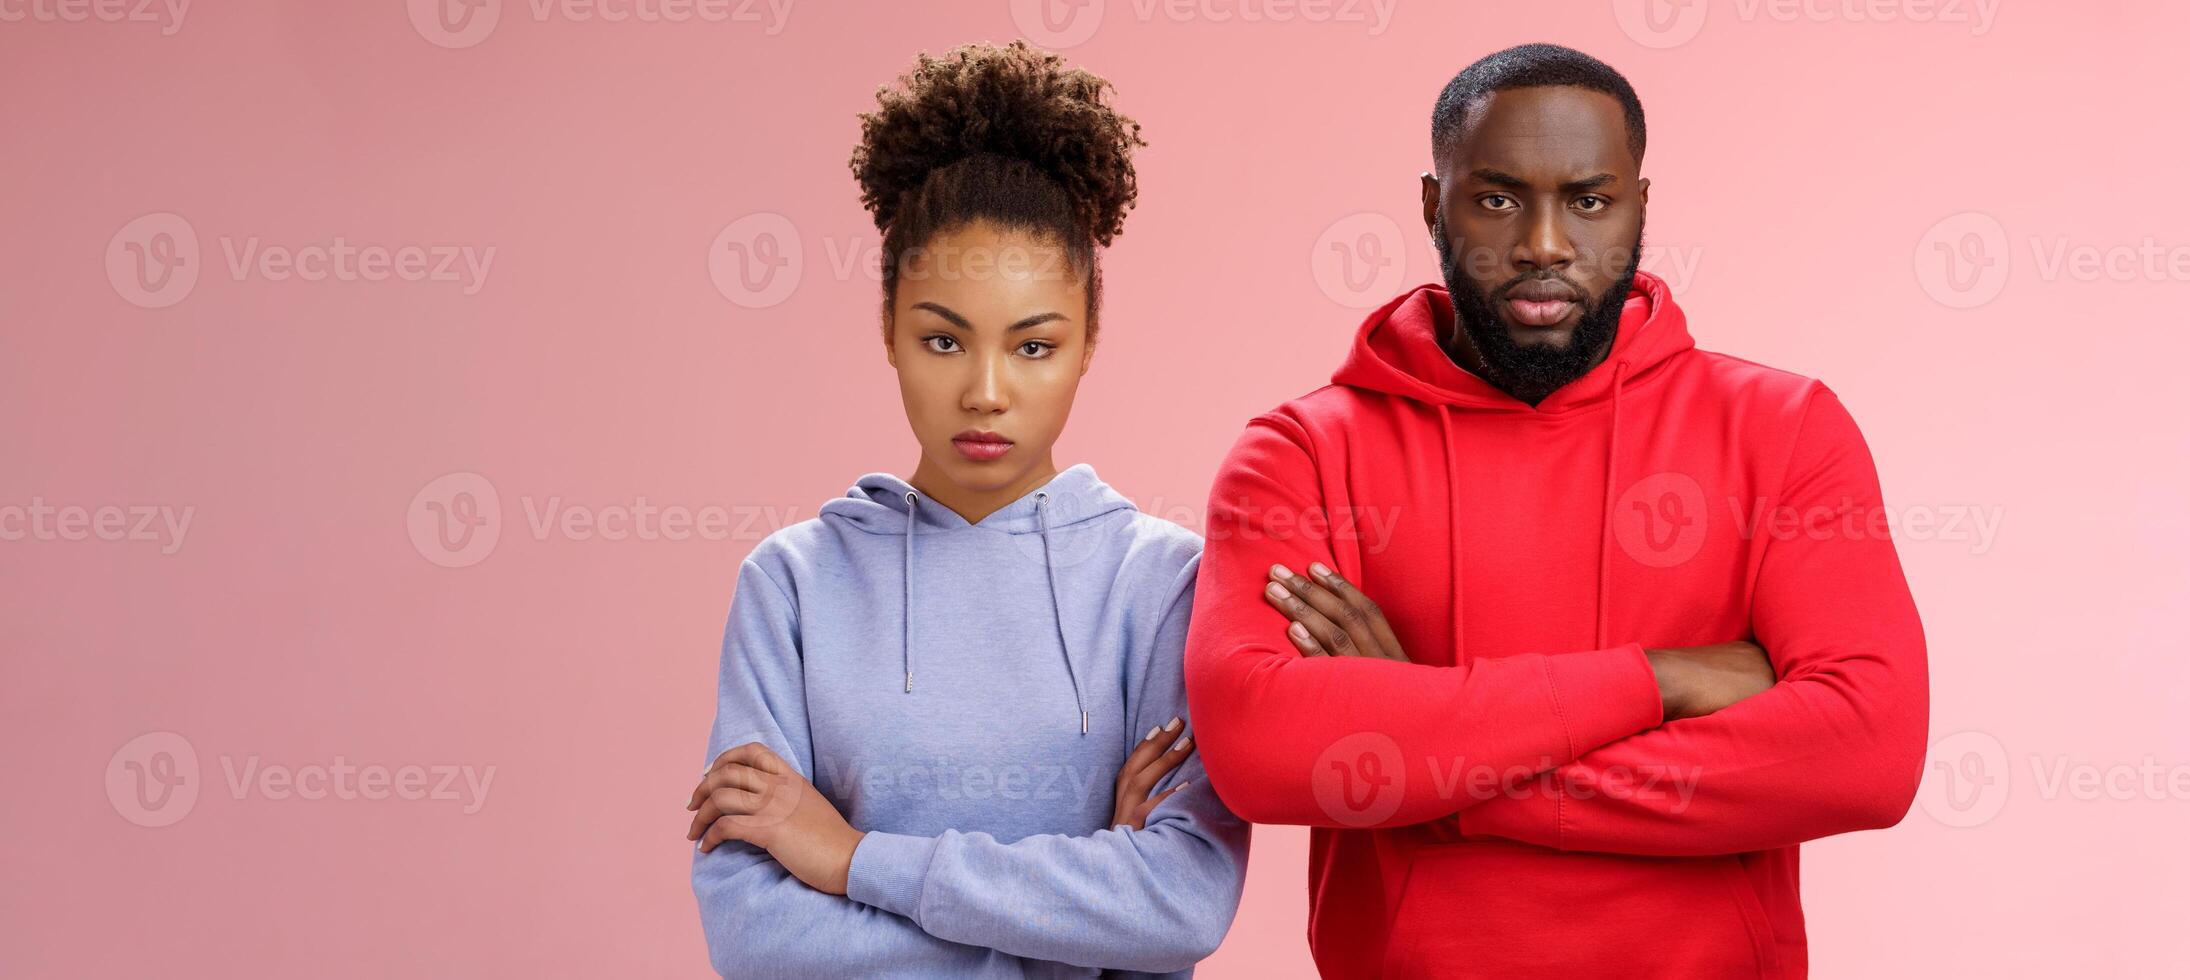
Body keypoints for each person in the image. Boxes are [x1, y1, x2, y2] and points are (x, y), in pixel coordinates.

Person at [1184, 43, 1928, 978]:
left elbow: (1866, 753)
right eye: (1498, 199)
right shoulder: (1301, 452)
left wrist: (1427, 761)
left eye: (1587, 200)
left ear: (1641, 208)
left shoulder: (1784, 431)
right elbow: (1261, 747)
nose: (1543, 243)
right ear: (1432, 205)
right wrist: (1664, 679)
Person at [685, 41, 1247, 979]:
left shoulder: (1165, 585)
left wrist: (853, 858)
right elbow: (754, 939)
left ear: (1087, 342)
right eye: (943, 339)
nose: (986, 392)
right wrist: (1076, 939)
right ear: (889, 333)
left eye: (1032, 347)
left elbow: (1182, 901)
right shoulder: (791, 586)